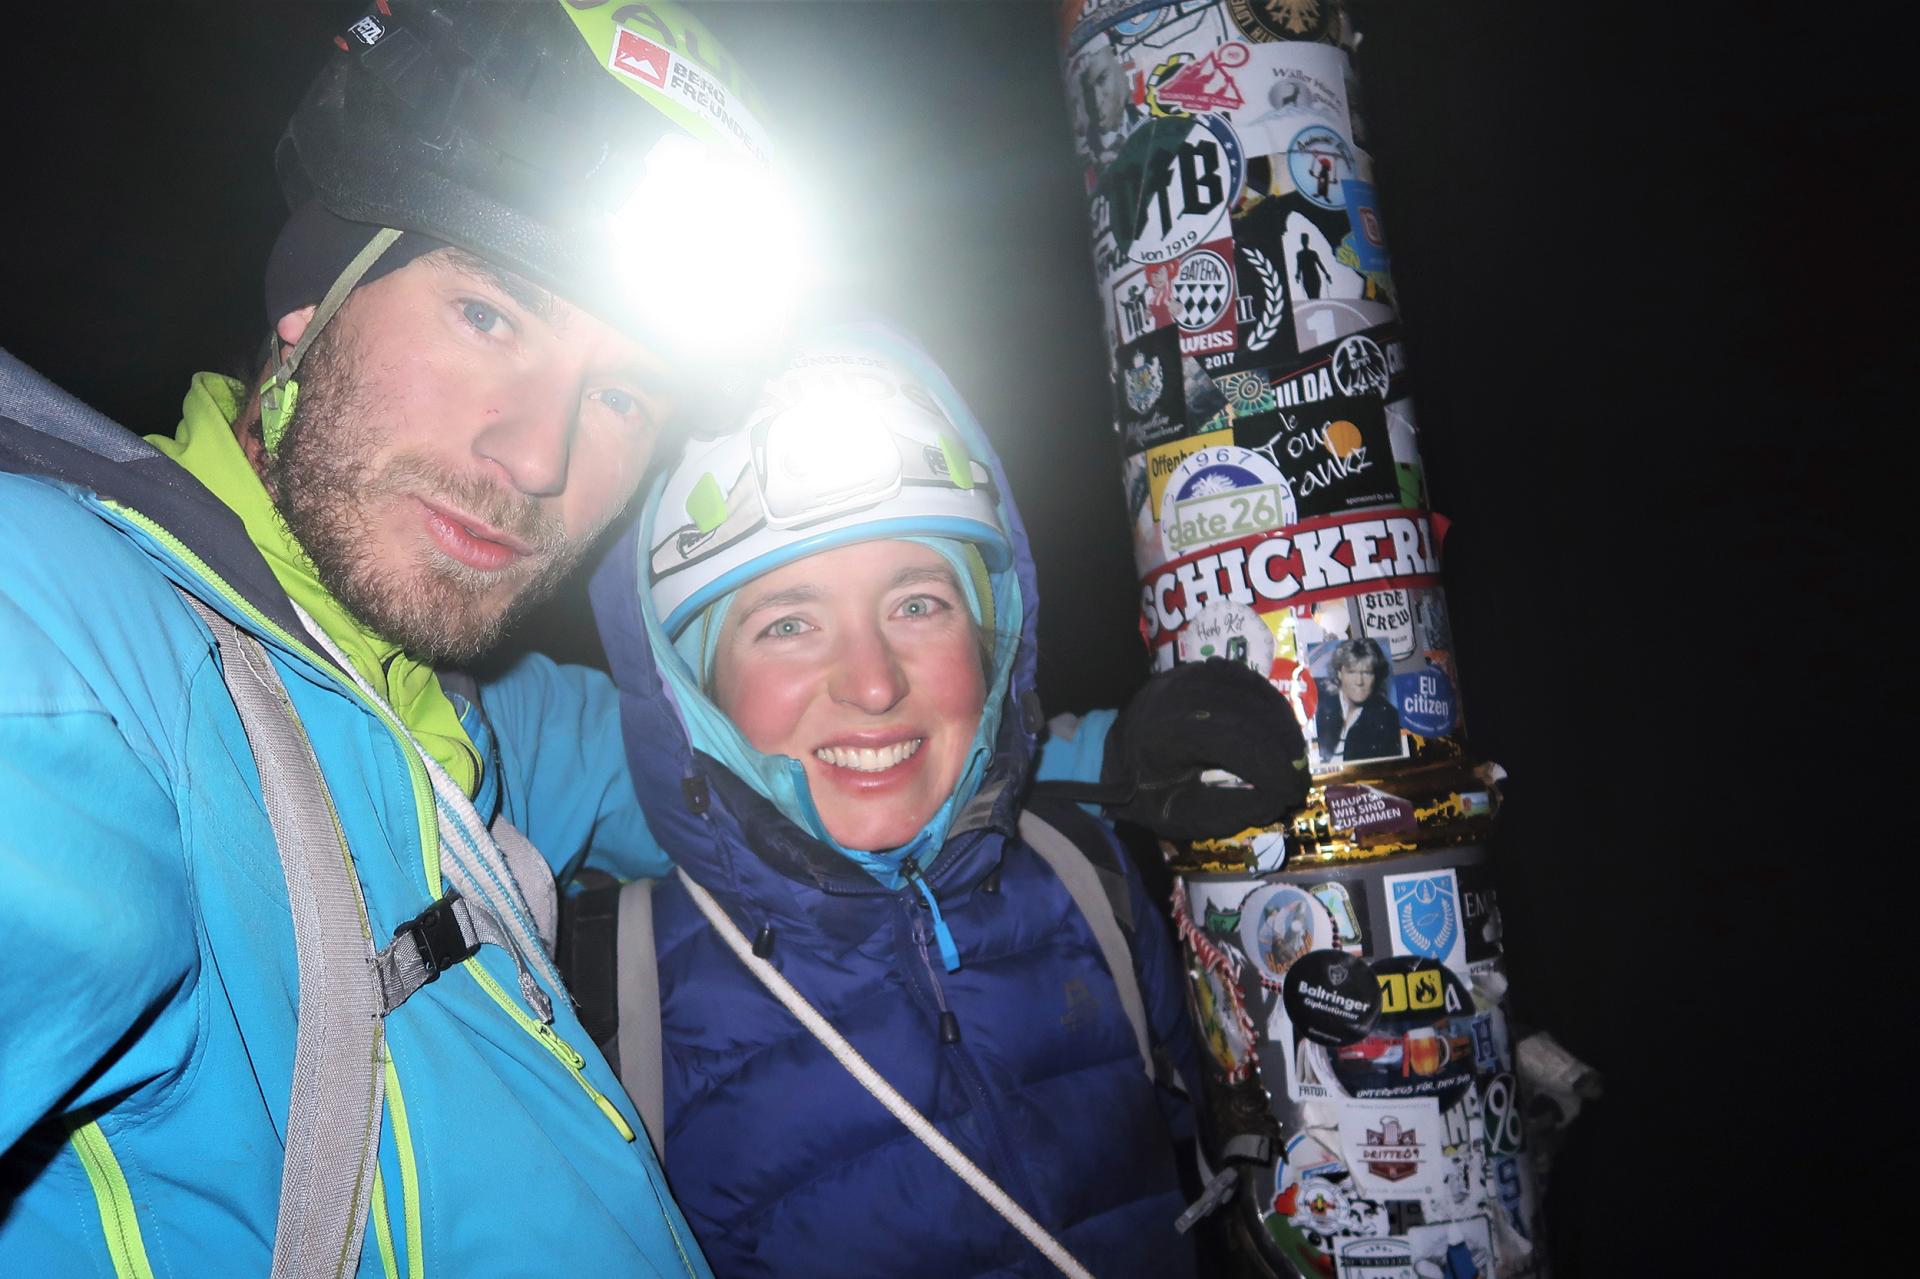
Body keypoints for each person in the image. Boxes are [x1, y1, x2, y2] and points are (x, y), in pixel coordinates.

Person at [0, 3, 794, 1274]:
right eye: (487, 315)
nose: (539, 455)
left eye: (625, 392)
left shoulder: (446, 720)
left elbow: (770, 742)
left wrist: (1103, 747)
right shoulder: (76, 642)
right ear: (311, 306)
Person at [578, 324, 1310, 1278]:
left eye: (918, 603)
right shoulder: (609, 1008)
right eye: (788, 623)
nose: (873, 684)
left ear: (993, 637)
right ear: (692, 692)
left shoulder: (1088, 881)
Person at [1313, 636, 1403, 766]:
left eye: (1367, 673)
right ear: (1339, 673)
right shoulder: (1317, 696)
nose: (1359, 682)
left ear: (1376, 676)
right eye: (1352, 672)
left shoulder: (1390, 719)